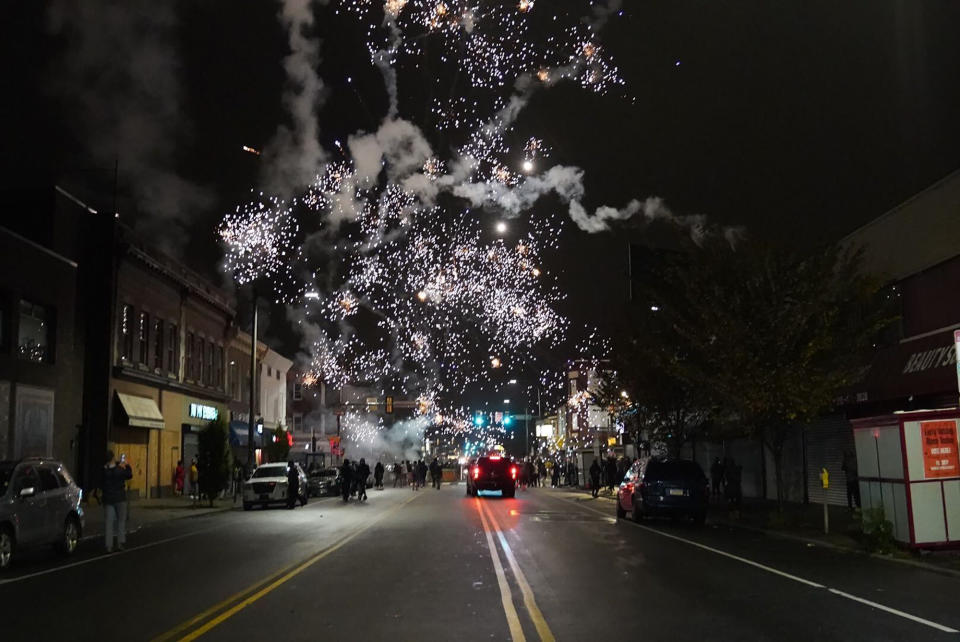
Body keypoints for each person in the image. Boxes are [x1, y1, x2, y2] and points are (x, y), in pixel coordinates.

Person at [102, 450, 133, 553]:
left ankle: (108, 546)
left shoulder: (104, 471)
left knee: (109, 522)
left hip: (108, 499)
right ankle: (120, 543)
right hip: (120, 498)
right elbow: (129, 475)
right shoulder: (119, 470)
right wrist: (127, 465)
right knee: (120, 521)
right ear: (113, 458)